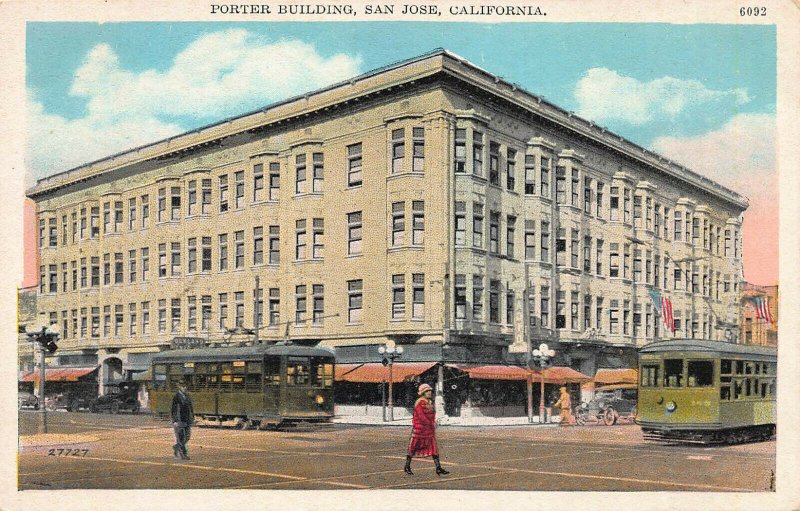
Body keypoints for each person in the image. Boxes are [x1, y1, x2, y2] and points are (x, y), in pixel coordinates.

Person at [404, 383, 449, 476]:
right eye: (427, 391)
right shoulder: (419, 402)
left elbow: (432, 415)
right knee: (413, 448)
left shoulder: (430, 402)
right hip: (420, 430)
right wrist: (431, 423)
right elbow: (421, 416)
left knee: (434, 449)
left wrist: (434, 422)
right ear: (423, 393)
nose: (429, 393)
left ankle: (438, 468)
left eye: (430, 391)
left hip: (429, 430)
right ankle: (407, 466)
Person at [171, 382, 194, 460]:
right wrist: (175, 421)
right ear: (179, 387)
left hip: (187, 419)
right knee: (181, 438)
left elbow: (190, 408)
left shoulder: (187, 396)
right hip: (179, 420)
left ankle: (176, 447)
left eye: (185, 386)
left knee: (187, 437)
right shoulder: (176, 397)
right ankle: (183, 454)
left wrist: (192, 417)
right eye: (183, 386)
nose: (185, 388)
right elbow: (174, 410)